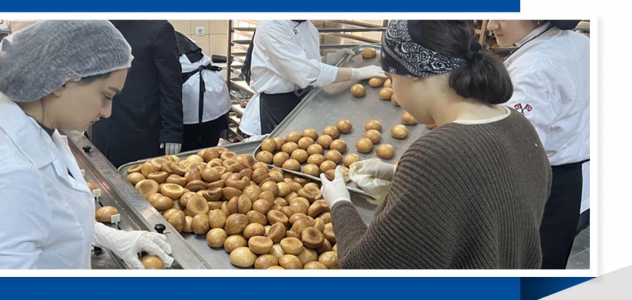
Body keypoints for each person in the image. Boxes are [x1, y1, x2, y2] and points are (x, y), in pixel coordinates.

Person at [320, 20, 552, 269]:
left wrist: (340, 203)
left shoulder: (435, 154)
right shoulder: (518, 125)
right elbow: (487, 204)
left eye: (391, 78)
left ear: (415, 74)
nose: (393, 90)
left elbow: (366, 268)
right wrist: (403, 178)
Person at [0, 20, 172, 269]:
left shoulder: (28, 122)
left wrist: (110, 237)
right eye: (106, 96)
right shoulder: (9, 175)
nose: (108, 112)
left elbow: (47, 219)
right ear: (63, 81)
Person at [487, 20, 590, 269]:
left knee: (531, 265)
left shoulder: (534, 70)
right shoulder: (579, 42)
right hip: (576, 177)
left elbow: (520, 152)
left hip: (547, 186)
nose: (491, 24)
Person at [239, 20, 385, 135]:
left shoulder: (308, 26)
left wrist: (332, 60)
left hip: (303, 100)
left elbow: (308, 62)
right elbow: (304, 72)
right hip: (276, 106)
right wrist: (355, 73)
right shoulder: (272, 26)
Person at [91, 20, 183, 167]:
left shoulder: (157, 28)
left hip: (140, 128)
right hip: (102, 125)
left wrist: (172, 131)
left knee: (139, 182)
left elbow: (171, 84)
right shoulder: (98, 26)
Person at [175, 31, 231, 151]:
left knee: (195, 154)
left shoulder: (162, 40)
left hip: (196, 100)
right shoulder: (177, 36)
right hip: (211, 95)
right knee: (206, 151)